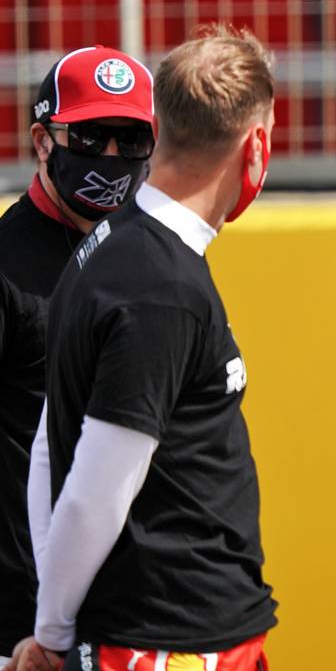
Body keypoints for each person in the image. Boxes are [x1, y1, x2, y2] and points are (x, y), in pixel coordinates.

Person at [13, 25, 277, 671]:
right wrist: (50, 630)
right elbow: (96, 487)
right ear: (257, 146)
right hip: (172, 638)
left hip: (179, 629)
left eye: (127, 138)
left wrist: (52, 618)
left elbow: (52, 443)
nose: (110, 154)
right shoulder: (158, 284)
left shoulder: (112, 244)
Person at [0, 46, 154, 669]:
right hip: (23, 624)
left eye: (130, 140)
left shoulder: (146, 256)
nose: (111, 158)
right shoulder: (6, 263)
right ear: (43, 141)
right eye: (91, 137)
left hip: (127, 610)